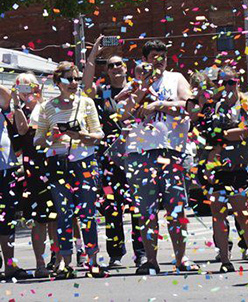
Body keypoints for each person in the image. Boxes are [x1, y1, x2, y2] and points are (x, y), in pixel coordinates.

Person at [119, 40, 195, 275]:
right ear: (145, 59)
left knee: (176, 209)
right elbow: (123, 115)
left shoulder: (176, 78)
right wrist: (140, 89)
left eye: (162, 55)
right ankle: (151, 260)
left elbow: (189, 105)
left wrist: (160, 104)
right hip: (139, 153)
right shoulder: (134, 84)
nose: (159, 60)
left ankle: (181, 258)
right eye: (154, 55)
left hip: (170, 151)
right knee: (146, 211)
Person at [195, 66, 248, 272]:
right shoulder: (213, 106)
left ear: (238, 82)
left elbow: (246, 131)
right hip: (216, 169)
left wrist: (220, 138)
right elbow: (204, 131)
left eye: (232, 82)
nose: (228, 86)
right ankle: (225, 260)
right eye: (223, 82)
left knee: (244, 214)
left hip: (238, 168)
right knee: (219, 215)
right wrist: (222, 136)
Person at [34, 62, 106, 279]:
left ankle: (92, 260)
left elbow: (99, 135)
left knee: (87, 214)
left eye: (75, 79)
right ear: (58, 82)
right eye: (68, 79)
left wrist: (81, 135)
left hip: (83, 161)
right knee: (64, 214)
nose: (73, 83)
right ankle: (65, 262)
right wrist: (52, 137)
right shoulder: (47, 107)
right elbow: (38, 141)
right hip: (58, 163)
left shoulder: (86, 103)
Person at [82, 36, 146, 268]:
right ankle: (116, 253)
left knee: (138, 205)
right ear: (107, 71)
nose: (115, 67)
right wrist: (93, 55)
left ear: (126, 68)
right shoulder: (102, 92)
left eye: (119, 64)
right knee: (111, 206)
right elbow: (86, 87)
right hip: (108, 159)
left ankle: (141, 252)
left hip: (135, 156)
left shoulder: (138, 88)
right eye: (110, 65)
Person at [11, 73, 58, 278]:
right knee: (39, 219)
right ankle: (40, 263)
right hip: (32, 173)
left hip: (52, 167)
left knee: (56, 218)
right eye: (23, 88)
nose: (28, 91)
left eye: (31, 86)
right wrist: (15, 103)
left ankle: (58, 260)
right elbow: (23, 130)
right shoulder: (17, 113)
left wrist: (39, 98)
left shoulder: (47, 107)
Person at [0, 84, 30, 280]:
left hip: (6, 170)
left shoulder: (3, 109)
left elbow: (5, 94)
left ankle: (10, 266)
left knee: (6, 219)